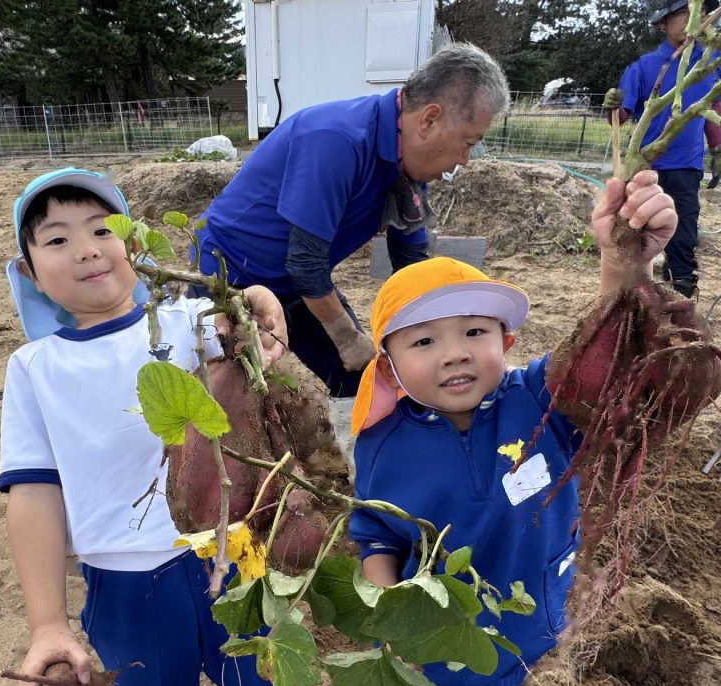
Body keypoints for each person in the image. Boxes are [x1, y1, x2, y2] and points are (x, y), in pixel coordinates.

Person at [347, 171, 678, 686]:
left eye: (475, 331)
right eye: (422, 342)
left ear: (508, 339)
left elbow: (613, 358)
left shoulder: (543, 399)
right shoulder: (382, 445)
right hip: (434, 648)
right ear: (389, 366)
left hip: (526, 623)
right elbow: (376, 535)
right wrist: (389, 613)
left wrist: (626, 266)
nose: (454, 352)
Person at [0, 167, 317, 686]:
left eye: (102, 229)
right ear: (30, 273)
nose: (87, 248)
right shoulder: (34, 368)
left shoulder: (191, 322)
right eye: (57, 239)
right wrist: (46, 623)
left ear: (137, 247)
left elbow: (259, 355)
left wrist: (256, 309)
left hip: (225, 549)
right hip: (124, 578)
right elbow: (33, 491)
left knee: (256, 666)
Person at [193, 43, 510, 456]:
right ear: (429, 119)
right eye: (468, 142)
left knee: (360, 378)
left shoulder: (405, 167)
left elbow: (411, 269)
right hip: (230, 275)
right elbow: (305, 264)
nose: (465, 160)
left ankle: (360, 471)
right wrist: (347, 338)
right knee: (242, 398)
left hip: (297, 282)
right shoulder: (335, 140)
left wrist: (434, 340)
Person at [604, 0, 721, 298]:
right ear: (664, 23)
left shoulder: (710, 64)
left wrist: (719, 147)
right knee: (636, 228)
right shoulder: (644, 67)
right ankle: (630, 292)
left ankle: (682, 292)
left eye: (700, 14)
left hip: (687, 165)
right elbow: (622, 116)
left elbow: (713, 107)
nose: (693, 20)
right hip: (648, 167)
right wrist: (612, 106)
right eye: (684, 13)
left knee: (684, 232)